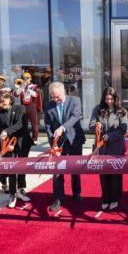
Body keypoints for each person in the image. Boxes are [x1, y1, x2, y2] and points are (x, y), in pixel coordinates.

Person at [45, 82, 85, 212]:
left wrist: (62, 128)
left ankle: (76, 193)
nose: (55, 99)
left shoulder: (75, 100)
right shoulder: (49, 105)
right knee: (57, 171)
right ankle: (58, 198)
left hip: (74, 139)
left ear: (64, 91)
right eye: (53, 97)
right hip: (59, 143)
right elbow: (48, 126)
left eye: (57, 96)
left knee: (76, 168)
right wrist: (53, 145)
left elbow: (75, 117)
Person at [0, 91, 33, 208]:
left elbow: (20, 124)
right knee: (11, 169)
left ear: (9, 99)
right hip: (10, 145)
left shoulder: (20, 108)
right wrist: (5, 138)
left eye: (3, 100)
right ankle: (12, 194)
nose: (1, 103)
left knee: (22, 167)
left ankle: (20, 190)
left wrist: (6, 131)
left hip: (23, 141)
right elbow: (1, 130)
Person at [89, 87, 128, 210]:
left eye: (111, 99)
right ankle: (105, 197)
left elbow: (123, 130)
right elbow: (90, 126)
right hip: (101, 149)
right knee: (104, 175)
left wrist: (109, 136)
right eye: (107, 99)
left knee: (115, 175)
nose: (109, 101)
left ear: (115, 98)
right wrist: (96, 126)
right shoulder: (97, 109)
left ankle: (115, 198)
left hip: (116, 148)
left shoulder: (121, 111)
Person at [14, 72, 42, 140]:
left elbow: (36, 95)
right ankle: (25, 137)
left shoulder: (34, 86)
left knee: (34, 123)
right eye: (24, 78)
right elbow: (16, 94)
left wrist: (28, 89)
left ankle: (35, 138)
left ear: (30, 79)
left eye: (27, 78)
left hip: (32, 105)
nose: (25, 79)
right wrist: (22, 87)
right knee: (24, 122)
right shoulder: (20, 86)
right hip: (23, 106)